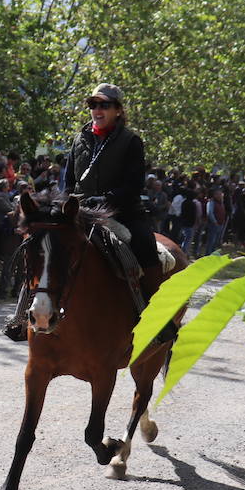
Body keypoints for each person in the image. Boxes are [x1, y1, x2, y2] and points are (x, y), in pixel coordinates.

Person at [29, 82, 175, 344]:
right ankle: (22, 316)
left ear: (118, 110)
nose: (97, 109)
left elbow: (133, 185)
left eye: (104, 105)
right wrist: (66, 204)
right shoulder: (79, 139)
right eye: (93, 105)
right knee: (43, 244)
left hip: (122, 213)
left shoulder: (131, 141)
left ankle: (157, 319)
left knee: (144, 244)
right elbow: (69, 182)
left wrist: (105, 199)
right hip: (80, 212)